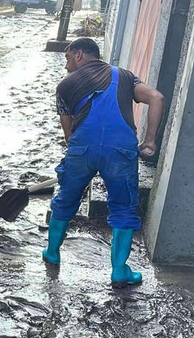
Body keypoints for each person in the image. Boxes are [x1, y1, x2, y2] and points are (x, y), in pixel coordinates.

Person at [43, 38, 165, 287]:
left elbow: (69, 135)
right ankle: (119, 271)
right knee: (123, 207)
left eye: (67, 59)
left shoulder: (65, 85)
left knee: (66, 199)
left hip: (82, 149)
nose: (66, 66)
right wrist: (150, 142)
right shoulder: (125, 77)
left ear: (78, 55)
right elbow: (157, 98)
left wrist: (79, 154)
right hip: (121, 151)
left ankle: (52, 252)